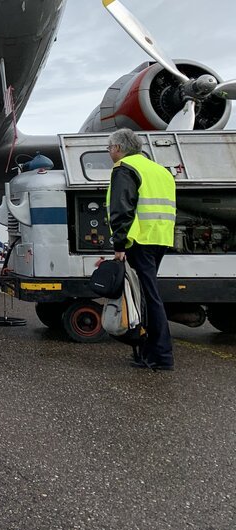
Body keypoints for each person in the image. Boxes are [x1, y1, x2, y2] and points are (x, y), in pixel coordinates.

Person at [106, 127, 177, 371]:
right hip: (161, 238)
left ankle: (161, 356)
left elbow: (121, 208)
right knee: (145, 297)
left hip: (139, 239)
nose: (109, 153)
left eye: (109, 148)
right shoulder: (159, 170)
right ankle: (148, 352)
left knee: (147, 297)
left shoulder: (124, 168)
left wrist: (119, 244)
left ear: (118, 148)